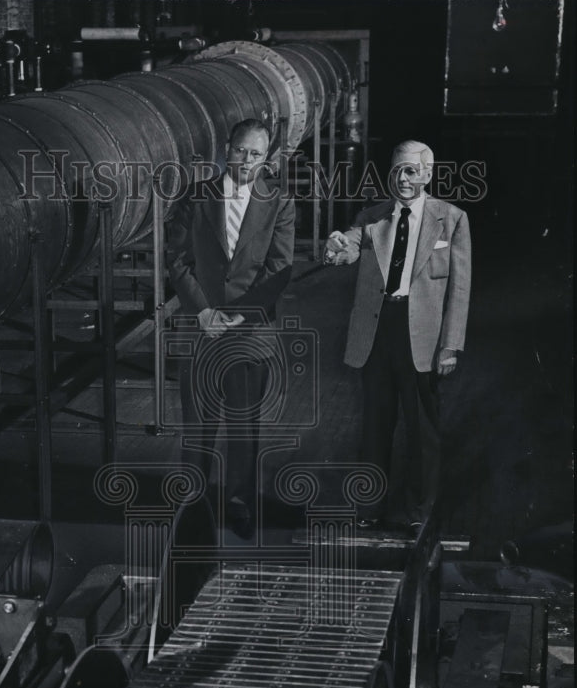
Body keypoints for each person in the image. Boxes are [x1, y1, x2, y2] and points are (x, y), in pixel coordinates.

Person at [324, 140, 471, 529]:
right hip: (378, 331)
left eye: (410, 170)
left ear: (427, 173)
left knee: (422, 430)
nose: (402, 178)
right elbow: (351, 245)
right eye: (395, 171)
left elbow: (459, 288)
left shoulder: (452, 219)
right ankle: (369, 510)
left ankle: (418, 514)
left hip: (422, 335)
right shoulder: (371, 216)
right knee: (375, 426)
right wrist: (337, 246)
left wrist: (450, 345)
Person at [167, 118, 295, 539]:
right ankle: (194, 504)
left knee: (244, 426)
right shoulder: (194, 197)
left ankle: (240, 502)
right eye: (240, 150)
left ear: (266, 159)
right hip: (200, 328)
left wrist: (243, 314)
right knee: (197, 425)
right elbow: (177, 259)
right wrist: (202, 311)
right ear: (227, 147)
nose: (246, 160)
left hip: (250, 331)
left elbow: (279, 268)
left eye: (256, 154)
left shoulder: (279, 201)